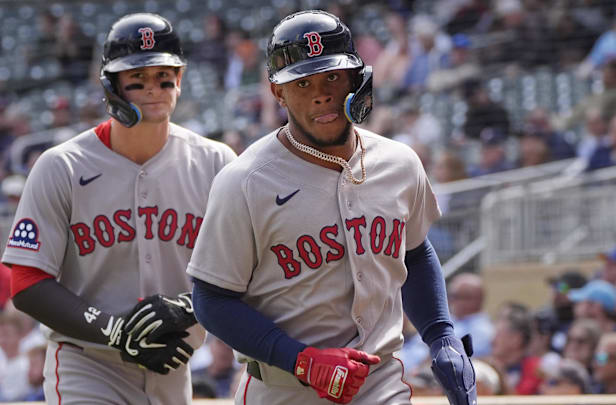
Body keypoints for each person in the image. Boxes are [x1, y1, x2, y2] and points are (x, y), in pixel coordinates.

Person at [187, 10, 476, 405]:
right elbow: (211, 298)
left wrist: (441, 334)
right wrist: (301, 360)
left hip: (379, 383)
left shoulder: (400, 163)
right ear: (278, 93)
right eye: (302, 82)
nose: (321, 93)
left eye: (332, 77)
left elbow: (414, 250)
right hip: (283, 387)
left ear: (358, 79)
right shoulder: (245, 181)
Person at [1, 13, 236, 405]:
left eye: (163, 76)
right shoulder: (62, 166)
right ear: (111, 88)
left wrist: (186, 307)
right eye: (137, 79)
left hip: (173, 363)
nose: (153, 89)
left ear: (179, 78)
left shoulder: (215, 163)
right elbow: (26, 283)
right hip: (88, 364)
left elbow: (243, 272)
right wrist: (116, 331)